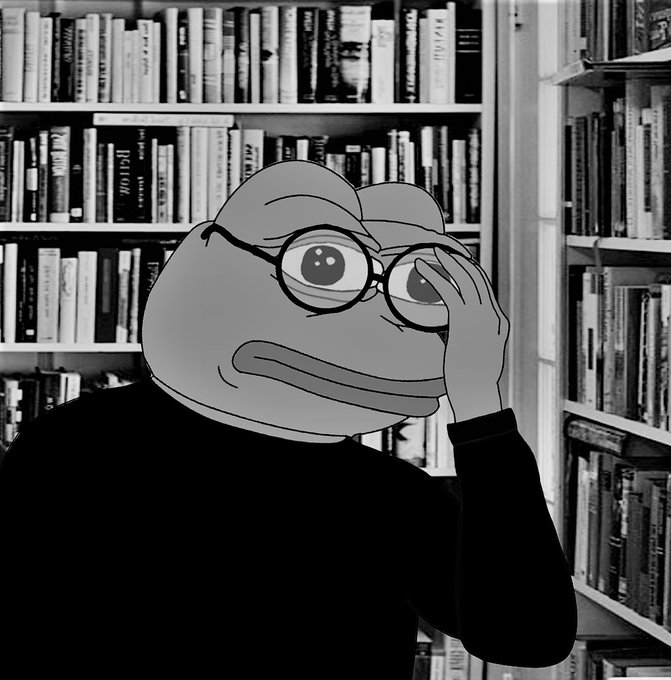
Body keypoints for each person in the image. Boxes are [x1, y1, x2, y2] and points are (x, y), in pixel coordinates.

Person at [0, 161, 576, 677]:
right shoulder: (73, 445)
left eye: (416, 291)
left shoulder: (388, 495)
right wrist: (480, 414)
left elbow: (529, 636)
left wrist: (480, 410)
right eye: (322, 266)